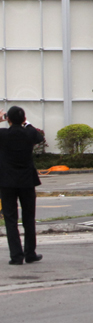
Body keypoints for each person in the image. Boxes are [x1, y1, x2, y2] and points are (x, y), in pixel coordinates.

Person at [0, 106, 45, 266]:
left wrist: (1, 119)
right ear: (24, 118)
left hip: (7, 182)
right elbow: (39, 137)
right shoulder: (29, 133)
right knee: (29, 218)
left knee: (11, 219)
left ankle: (16, 256)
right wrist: (26, 123)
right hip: (27, 181)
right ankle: (30, 253)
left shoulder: (3, 134)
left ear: (8, 119)